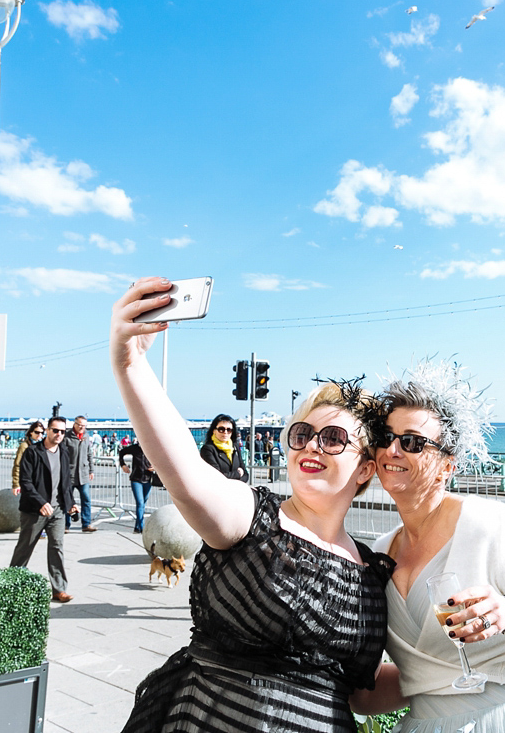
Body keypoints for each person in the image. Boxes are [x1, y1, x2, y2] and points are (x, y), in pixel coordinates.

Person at [110, 277, 392, 732]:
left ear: (365, 469)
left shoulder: (372, 571)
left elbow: (361, 691)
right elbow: (185, 469)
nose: (311, 447)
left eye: (333, 438)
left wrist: (473, 669)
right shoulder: (252, 516)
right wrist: (129, 364)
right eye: (302, 435)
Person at [358, 360, 505, 732]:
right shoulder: (380, 552)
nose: (393, 450)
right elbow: (405, 682)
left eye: (413, 442)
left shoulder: (491, 526)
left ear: (447, 466)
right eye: (385, 438)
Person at [10, 416, 79, 603]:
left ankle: (59, 589)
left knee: (57, 546)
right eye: (55, 430)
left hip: (57, 510)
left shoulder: (64, 452)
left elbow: (66, 481)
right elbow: (26, 482)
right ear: (47, 430)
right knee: (25, 547)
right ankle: (11, 584)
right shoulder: (33, 452)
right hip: (35, 510)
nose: (59, 435)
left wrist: (70, 502)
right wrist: (41, 503)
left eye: (63, 432)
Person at [63, 415, 96, 532]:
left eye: (84, 426)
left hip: (83, 474)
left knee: (86, 499)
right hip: (69, 474)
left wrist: (91, 470)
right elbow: (62, 455)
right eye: (80, 425)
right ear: (74, 424)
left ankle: (86, 524)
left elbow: (89, 454)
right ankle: (65, 525)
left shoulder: (86, 436)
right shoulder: (67, 437)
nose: (82, 427)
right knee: (67, 499)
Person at [118, 435, 155, 533]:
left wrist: (155, 467)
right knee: (140, 503)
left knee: (143, 504)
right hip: (136, 479)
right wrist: (123, 465)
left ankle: (137, 527)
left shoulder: (152, 448)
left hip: (148, 479)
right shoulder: (134, 448)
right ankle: (141, 527)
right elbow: (121, 452)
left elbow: (161, 458)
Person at [199, 414, 248, 482]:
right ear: (214, 431)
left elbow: (245, 474)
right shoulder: (208, 449)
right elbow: (217, 476)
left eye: (229, 430)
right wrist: (238, 474)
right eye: (221, 429)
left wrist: (236, 481)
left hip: (236, 490)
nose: (225, 432)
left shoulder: (235, 447)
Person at [11, 421, 45, 496]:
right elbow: (17, 465)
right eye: (37, 432)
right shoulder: (25, 446)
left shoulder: (42, 447)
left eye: (42, 433)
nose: (39, 435)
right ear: (31, 432)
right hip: (27, 482)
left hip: (39, 482)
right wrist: (16, 484)